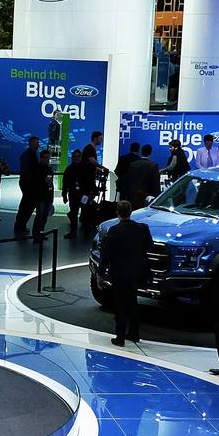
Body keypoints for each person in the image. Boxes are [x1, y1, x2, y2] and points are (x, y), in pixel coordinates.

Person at [97, 201, 152, 346]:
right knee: (133, 302)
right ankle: (134, 333)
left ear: (117, 212)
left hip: (120, 273)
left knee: (120, 304)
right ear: (131, 211)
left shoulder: (114, 230)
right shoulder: (142, 228)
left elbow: (106, 255)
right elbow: (149, 247)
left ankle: (120, 337)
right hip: (136, 272)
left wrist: (100, 274)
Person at [13, 136, 43, 236]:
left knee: (26, 206)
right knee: (26, 207)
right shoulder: (28, 156)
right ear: (31, 143)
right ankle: (19, 226)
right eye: (36, 143)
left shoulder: (31, 154)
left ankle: (20, 225)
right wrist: (31, 187)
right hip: (28, 185)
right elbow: (27, 173)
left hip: (28, 185)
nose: (38, 144)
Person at [127, 144, 161, 209]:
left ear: (141, 152)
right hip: (147, 198)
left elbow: (128, 181)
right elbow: (156, 184)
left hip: (133, 197)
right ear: (150, 153)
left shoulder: (132, 164)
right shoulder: (153, 166)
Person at [61, 147, 84, 239]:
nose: (76, 158)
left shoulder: (85, 168)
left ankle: (85, 231)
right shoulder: (69, 169)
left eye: (78, 156)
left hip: (84, 195)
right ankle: (73, 232)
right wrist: (64, 195)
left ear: (81, 157)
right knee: (74, 215)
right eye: (74, 156)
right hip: (73, 195)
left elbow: (90, 181)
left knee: (85, 213)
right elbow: (65, 183)